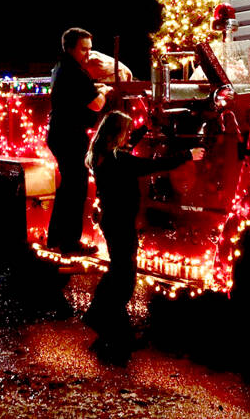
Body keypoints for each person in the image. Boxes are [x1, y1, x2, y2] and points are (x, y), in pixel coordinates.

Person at [83, 111, 204, 365]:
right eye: (126, 131)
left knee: (117, 272)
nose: (128, 136)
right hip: (120, 224)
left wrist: (142, 130)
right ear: (116, 134)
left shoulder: (102, 155)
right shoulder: (118, 160)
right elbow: (152, 166)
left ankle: (103, 321)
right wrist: (188, 155)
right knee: (124, 280)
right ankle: (109, 328)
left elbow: (127, 149)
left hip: (112, 221)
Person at [46, 27, 111, 256]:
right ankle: (69, 243)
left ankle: (55, 237)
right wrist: (105, 92)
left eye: (90, 49)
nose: (88, 54)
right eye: (84, 49)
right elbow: (96, 105)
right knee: (76, 189)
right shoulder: (74, 71)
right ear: (71, 47)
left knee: (67, 188)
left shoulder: (60, 68)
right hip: (70, 135)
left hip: (60, 133)